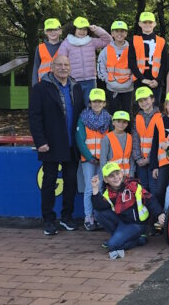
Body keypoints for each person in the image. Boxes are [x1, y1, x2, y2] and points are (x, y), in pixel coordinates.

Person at [29, 55, 85, 235]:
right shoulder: (40, 88)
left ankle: (66, 218)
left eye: (66, 65)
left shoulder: (76, 87)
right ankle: (49, 220)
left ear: (70, 67)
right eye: (59, 65)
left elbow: (82, 115)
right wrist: (40, 141)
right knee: (49, 182)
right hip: (50, 144)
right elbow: (35, 117)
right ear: (52, 67)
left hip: (72, 144)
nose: (63, 68)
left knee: (70, 182)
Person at [91, 163, 165, 259]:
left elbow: (149, 199)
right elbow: (99, 206)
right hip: (123, 223)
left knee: (112, 246)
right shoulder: (108, 193)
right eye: (111, 176)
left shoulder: (133, 186)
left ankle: (137, 239)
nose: (116, 177)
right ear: (105, 180)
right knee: (98, 213)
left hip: (137, 225)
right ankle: (120, 238)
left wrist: (159, 213)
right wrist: (95, 188)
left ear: (122, 173)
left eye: (117, 173)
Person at [76, 88, 112, 231]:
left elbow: (111, 139)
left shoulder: (109, 119)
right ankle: (88, 217)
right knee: (90, 188)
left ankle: (99, 216)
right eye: (93, 101)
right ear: (89, 103)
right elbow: (80, 140)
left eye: (99, 101)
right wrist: (90, 157)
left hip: (103, 160)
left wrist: (105, 158)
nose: (96, 104)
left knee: (102, 188)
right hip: (88, 160)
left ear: (104, 103)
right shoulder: (83, 118)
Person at [57, 16, 111, 104]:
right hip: (73, 81)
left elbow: (108, 40)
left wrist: (96, 29)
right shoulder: (66, 44)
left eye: (85, 29)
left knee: (90, 107)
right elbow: (61, 63)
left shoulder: (91, 42)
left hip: (90, 80)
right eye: (80, 29)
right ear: (74, 29)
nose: (82, 31)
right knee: (76, 107)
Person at [129, 11, 168, 106]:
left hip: (156, 81)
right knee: (141, 108)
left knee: (155, 108)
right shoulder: (134, 40)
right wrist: (142, 79)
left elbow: (165, 63)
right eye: (144, 22)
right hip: (140, 80)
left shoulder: (161, 41)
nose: (147, 25)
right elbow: (131, 62)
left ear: (154, 24)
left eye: (150, 22)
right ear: (139, 24)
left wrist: (158, 80)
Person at [132, 86, 164, 192]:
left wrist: (150, 159)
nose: (143, 102)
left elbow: (160, 141)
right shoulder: (137, 118)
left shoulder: (160, 117)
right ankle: (143, 208)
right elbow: (135, 140)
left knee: (153, 187)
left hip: (154, 160)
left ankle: (155, 209)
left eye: (146, 99)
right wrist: (137, 158)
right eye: (140, 101)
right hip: (141, 161)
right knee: (143, 187)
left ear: (152, 99)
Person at [97, 20, 134, 115]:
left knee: (127, 114)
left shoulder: (132, 49)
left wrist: (131, 80)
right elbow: (101, 68)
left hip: (128, 89)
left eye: (122, 31)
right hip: (112, 89)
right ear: (112, 33)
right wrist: (107, 80)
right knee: (113, 114)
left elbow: (137, 68)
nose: (119, 34)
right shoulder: (106, 50)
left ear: (126, 33)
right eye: (116, 31)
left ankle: (128, 130)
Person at [99, 110, 133, 177]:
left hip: (127, 176)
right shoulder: (107, 138)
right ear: (113, 122)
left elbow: (131, 158)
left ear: (127, 124)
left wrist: (131, 174)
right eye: (118, 121)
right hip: (113, 177)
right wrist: (106, 175)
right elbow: (103, 159)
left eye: (124, 122)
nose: (121, 124)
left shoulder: (130, 137)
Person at [32, 18, 63, 86]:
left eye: (55, 29)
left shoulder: (65, 46)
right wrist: (35, 85)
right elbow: (36, 68)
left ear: (60, 31)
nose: (52, 32)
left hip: (61, 85)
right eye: (49, 30)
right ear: (45, 32)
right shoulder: (40, 48)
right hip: (43, 85)